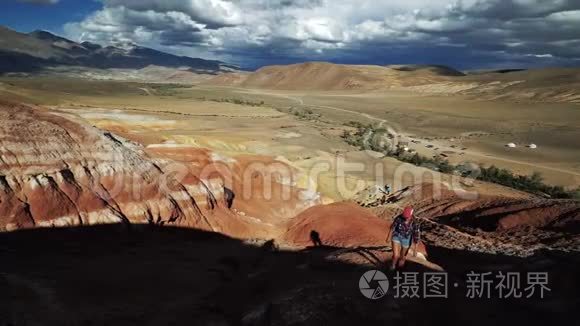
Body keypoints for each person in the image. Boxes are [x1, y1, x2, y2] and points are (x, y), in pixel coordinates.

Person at [386, 206, 421, 270]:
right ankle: (392, 267)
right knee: (396, 255)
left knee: (402, 257)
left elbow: (416, 235)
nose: (405, 218)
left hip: (406, 239)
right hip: (397, 235)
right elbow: (393, 227)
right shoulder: (399, 218)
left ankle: (400, 269)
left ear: (411, 215)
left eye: (407, 217)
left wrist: (415, 250)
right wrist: (388, 237)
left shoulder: (415, 223)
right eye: (404, 216)